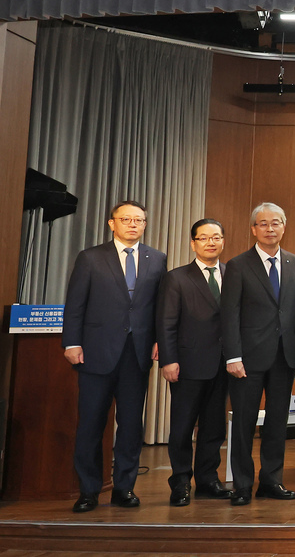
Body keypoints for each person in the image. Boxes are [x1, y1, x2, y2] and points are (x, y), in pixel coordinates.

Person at [63, 201, 167, 513]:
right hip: (95, 353)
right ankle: (89, 490)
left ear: (145, 224)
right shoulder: (91, 257)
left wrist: (160, 340)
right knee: (91, 424)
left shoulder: (157, 259)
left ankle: (124, 488)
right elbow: (75, 304)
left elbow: (160, 307)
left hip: (137, 354)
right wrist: (71, 343)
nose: (133, 224)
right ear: (112, 223)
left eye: (139, 220)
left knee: (131, 426)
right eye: (126, 219)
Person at [222, 202, 295, 506]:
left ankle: (271, 480)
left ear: (284, 227)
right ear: (253, 229)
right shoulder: (238, 265)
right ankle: (242, 485)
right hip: (247, 359)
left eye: (275, 223)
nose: (270, 229)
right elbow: (229, 313)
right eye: (263, 224)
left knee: (277, 422)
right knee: (244, 423)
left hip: (284, 357)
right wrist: (233, 356)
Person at [156, 218, 233, 506]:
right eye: (204, 238)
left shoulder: (232, 274)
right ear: (193, 243)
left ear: (223, 241)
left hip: (223, 365)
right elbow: (166, 322)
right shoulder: (177, 277)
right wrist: (169, 360)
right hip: (187, 364)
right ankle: (180, 483)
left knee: (214, 428)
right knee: (182, 427)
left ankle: (208, 480)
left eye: (216, 237)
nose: (211, 242)